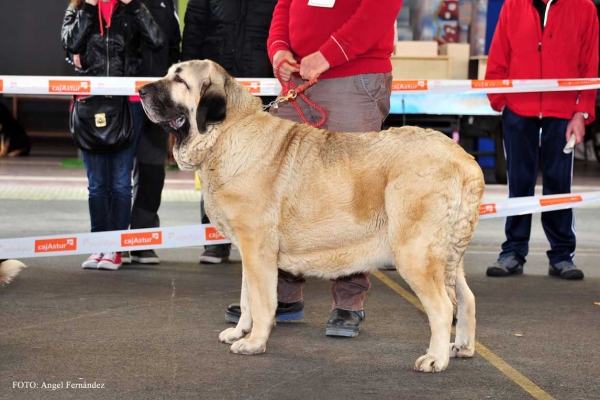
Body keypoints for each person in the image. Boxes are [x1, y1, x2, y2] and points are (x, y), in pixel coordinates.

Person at [224, 0, 404, 337]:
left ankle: (348, 303)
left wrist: (328, 54)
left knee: (352, 195)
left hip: (354, 75)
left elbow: (379, 9)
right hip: (299, 80)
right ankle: (282, 296)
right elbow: (283, 6)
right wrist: (278, 49)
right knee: (283, 194)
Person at [485, 0, 599, 280]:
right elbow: (499, 51)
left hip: (562, 112)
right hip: (518, 109)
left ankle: (562, 255)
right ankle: (512, 251)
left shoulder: (584, 8)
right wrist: (500, 101)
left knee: (559, 184)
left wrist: (580, 113)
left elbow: (590, 62)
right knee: (518, 181)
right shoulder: (513, 5)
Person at [62, 0, 164, 270]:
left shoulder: (131, 10)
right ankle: (98, 245)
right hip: (90, 105)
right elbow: (69, 44)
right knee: (97, 184)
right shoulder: (77, 8)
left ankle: (115, 248)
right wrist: (87, 8)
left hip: (127, 106)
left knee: (120, 182)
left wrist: (134, 6)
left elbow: (157, 40)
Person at [180, 0, 277, 265]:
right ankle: (215, 239)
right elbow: (194, 31)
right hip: (215, 88)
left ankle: (258, 237)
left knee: (259, 164)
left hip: (262, 87)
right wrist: (189, 81)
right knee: (213, 162)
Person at [128, 0, 181, 265]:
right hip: (119, 100)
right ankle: (107, 244)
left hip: (156, 99)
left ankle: (142, 241)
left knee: (152, 171)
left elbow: (173, 45)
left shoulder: (167, 3)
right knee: (115, 178)